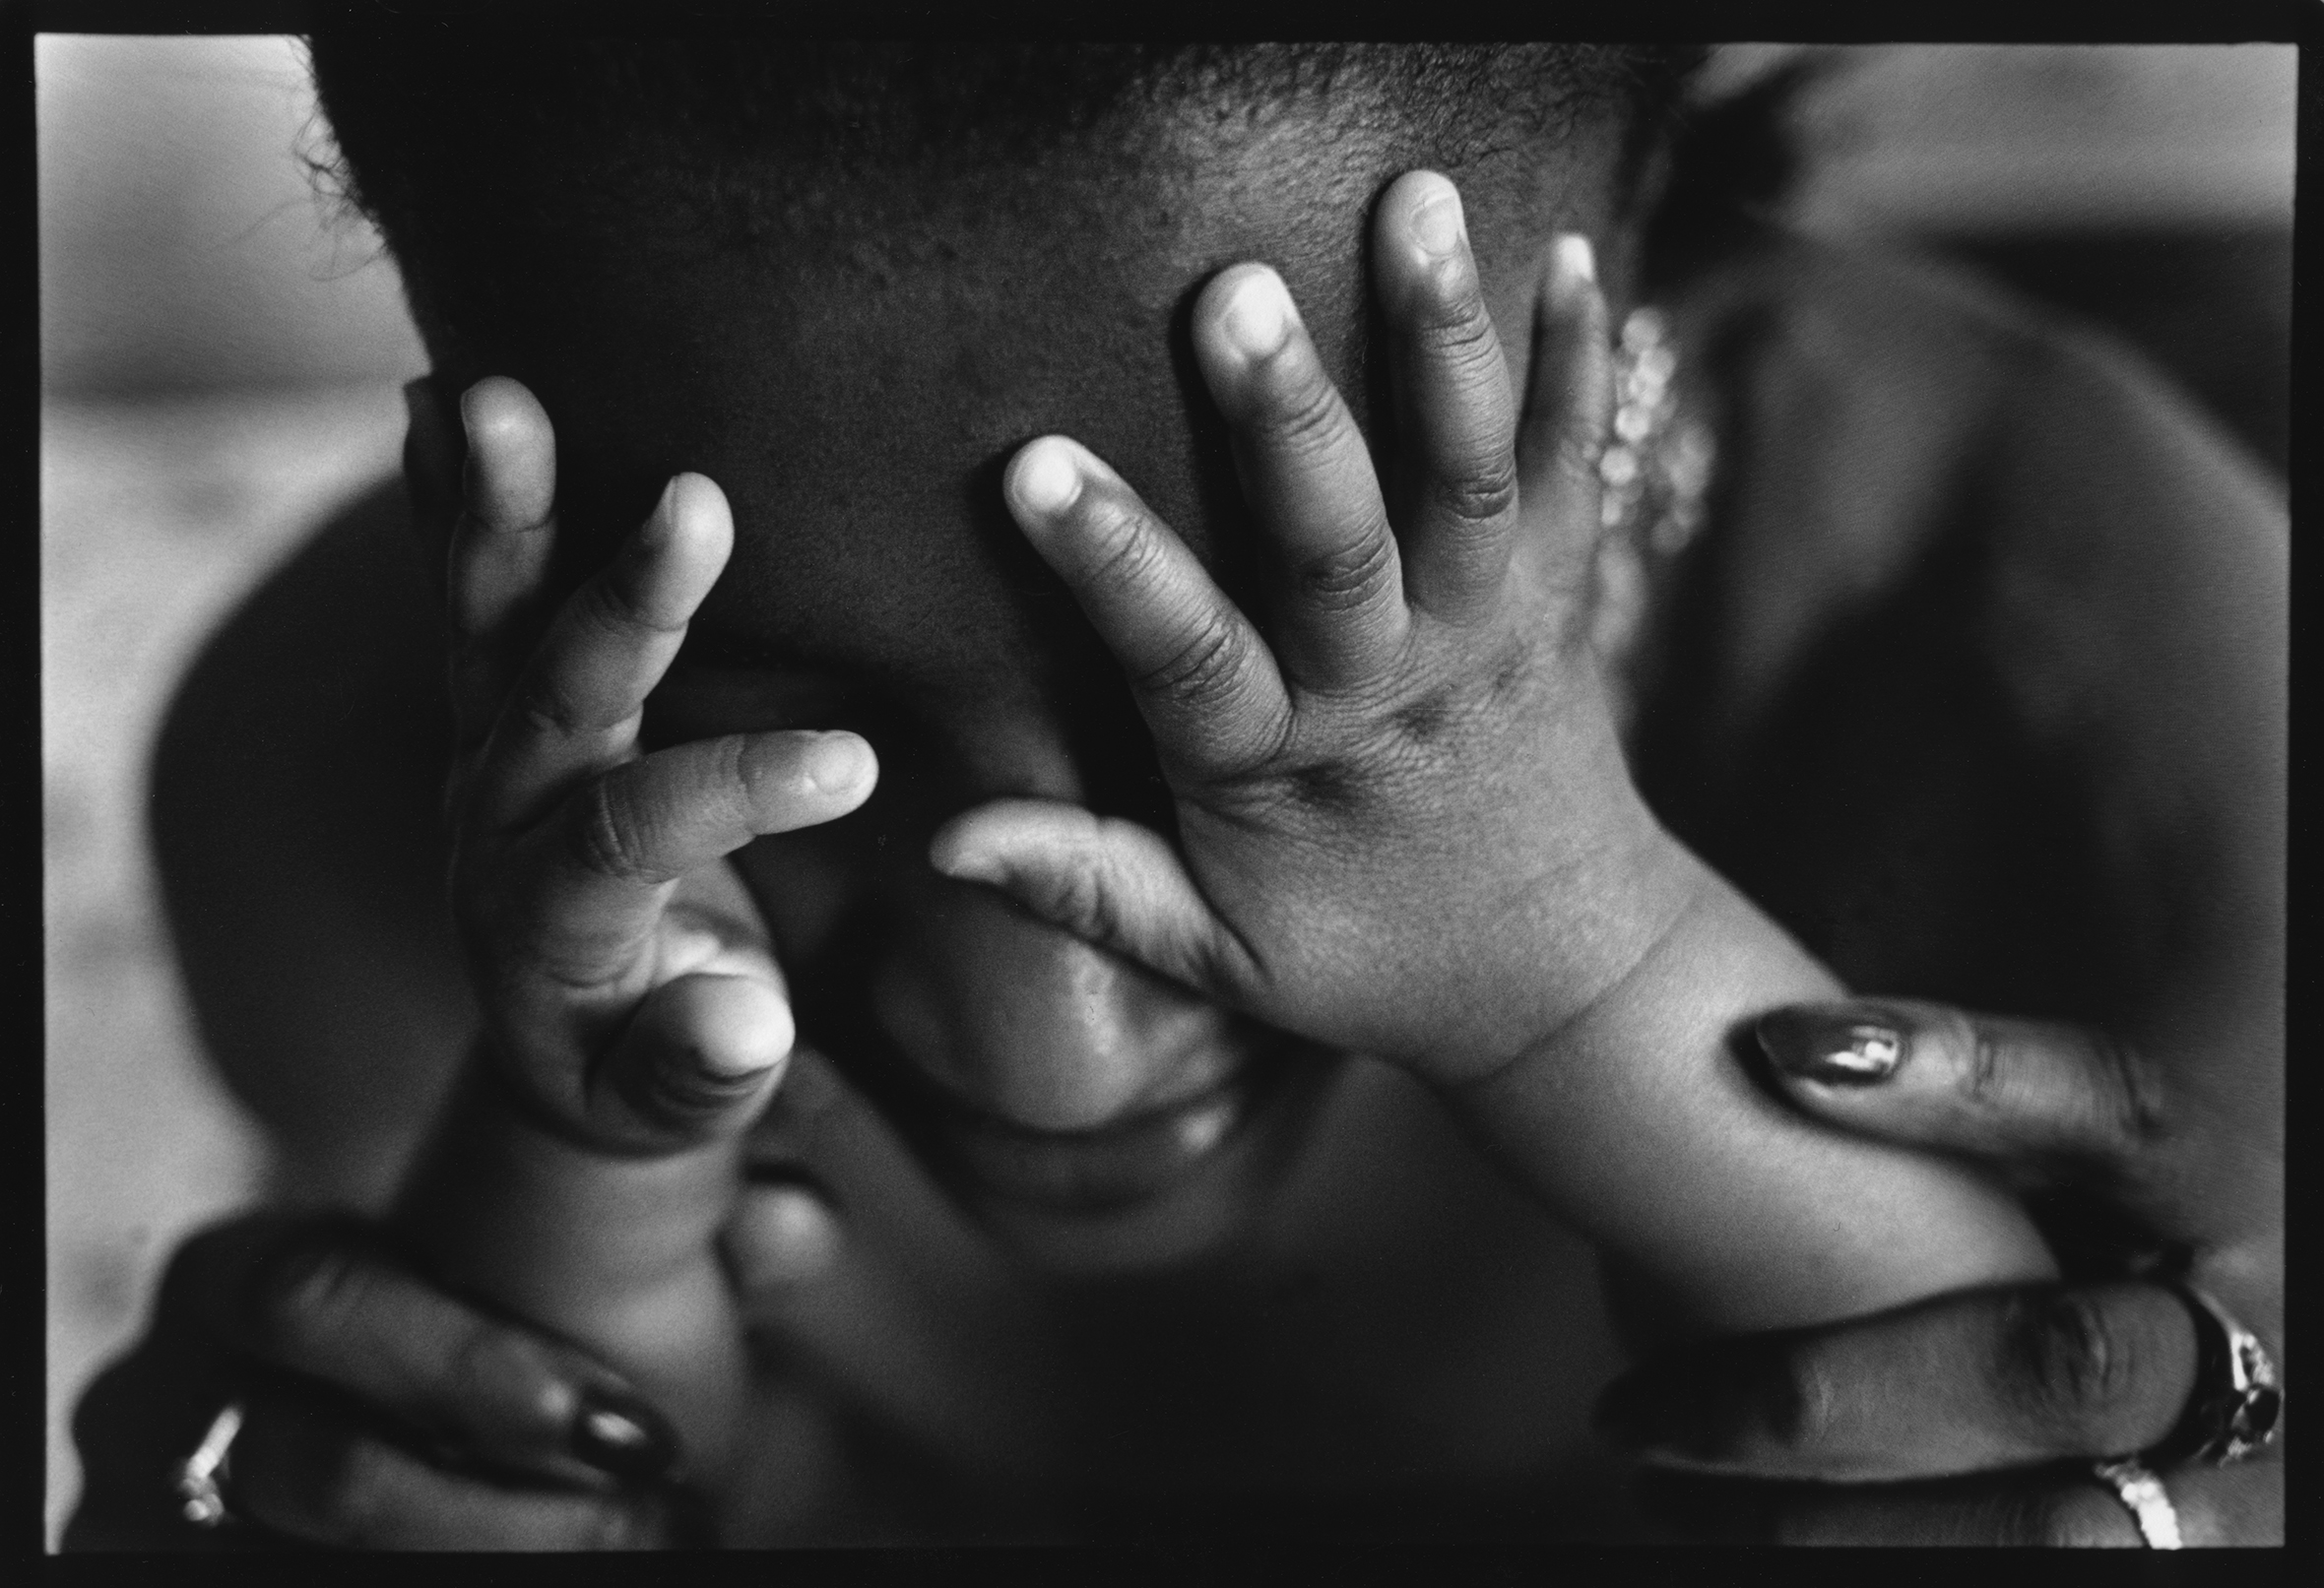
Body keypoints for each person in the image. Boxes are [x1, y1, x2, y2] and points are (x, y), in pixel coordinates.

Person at [65, 37, 2283, 1547]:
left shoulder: (2149, 747)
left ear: (1617, 330)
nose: (1053, 1056)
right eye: (769, 738)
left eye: (1285, 706)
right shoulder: (339, 807)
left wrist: (1579, 980)